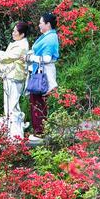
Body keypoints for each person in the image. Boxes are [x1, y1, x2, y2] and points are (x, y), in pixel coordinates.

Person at [0, 22, 31, 139]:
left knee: (12, 107)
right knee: (11, 105)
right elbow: (7, 55)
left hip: (14, 78)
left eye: (15, 31)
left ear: (22, 34)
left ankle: (15, 136)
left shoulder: (21, 46)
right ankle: (14, 132)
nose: (13, 33)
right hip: (12, 77)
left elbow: (6, 58)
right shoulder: (19, 43)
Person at [25, 12, 60, 141]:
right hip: (39, 71)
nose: (39, 25)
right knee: (37, 101)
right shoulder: (47, 36)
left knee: (38, 102)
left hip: (43, 73)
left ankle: (40, 132)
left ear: (48, 24)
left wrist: (31, 58)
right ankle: (40, 130)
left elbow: (47, 58)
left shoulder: (50, 38)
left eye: (41, 23)